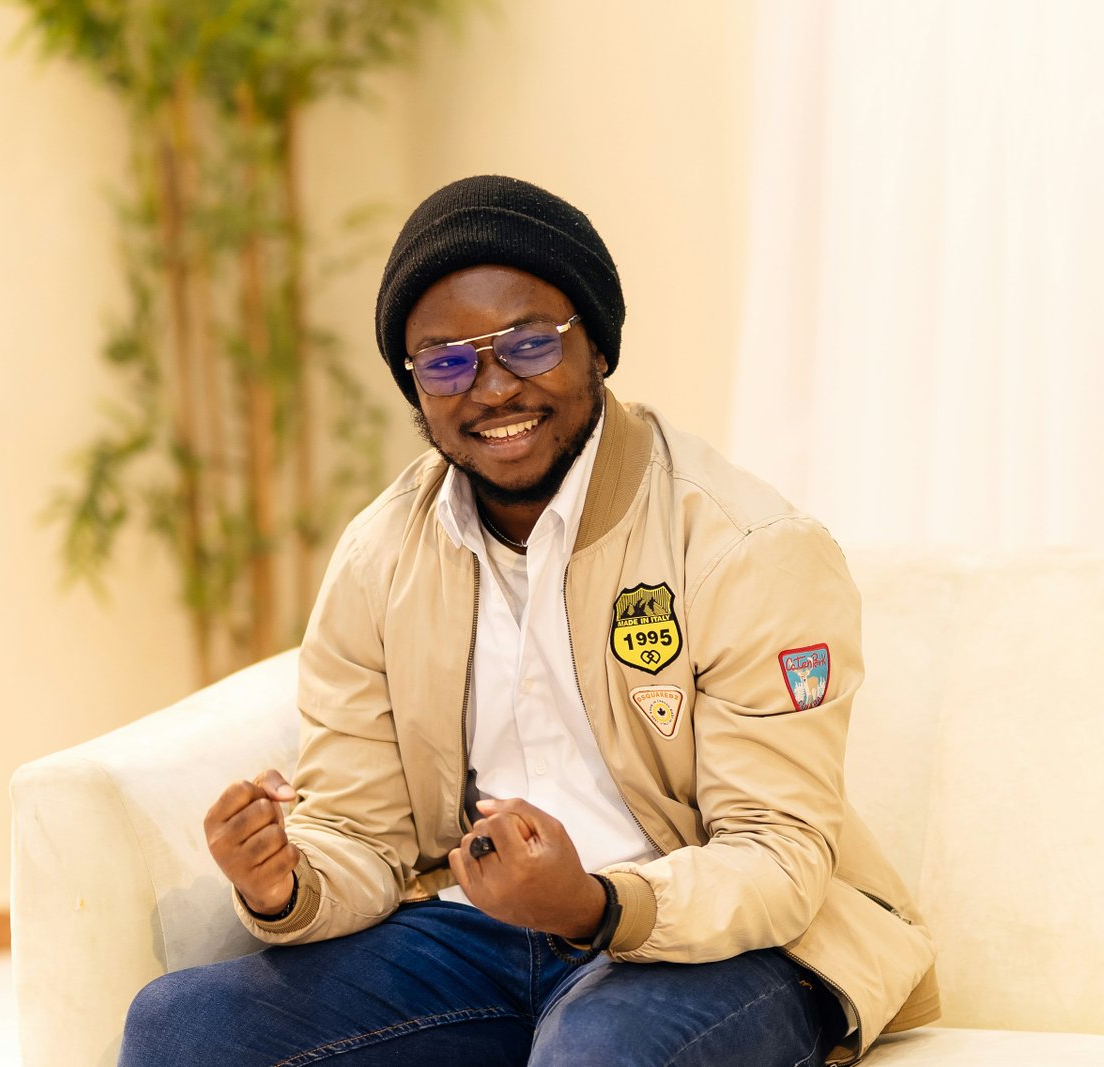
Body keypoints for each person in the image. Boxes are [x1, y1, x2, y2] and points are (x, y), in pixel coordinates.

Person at [119, 175, 939, 1067]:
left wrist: (590, 903)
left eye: (529, 344)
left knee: (592, 1056)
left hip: (714, 945)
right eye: (446, 363)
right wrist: (284, 883)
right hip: (480, 935)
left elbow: (777, 855)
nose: (492, 389)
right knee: (179, 1028)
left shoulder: (745, 547)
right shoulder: (378, 560)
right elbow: (359, 830)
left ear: (597, 346)